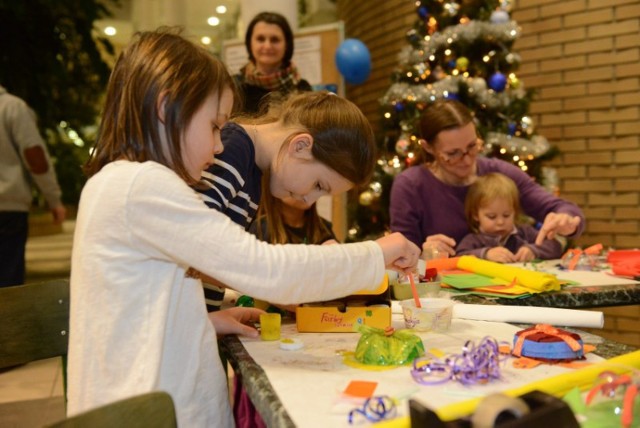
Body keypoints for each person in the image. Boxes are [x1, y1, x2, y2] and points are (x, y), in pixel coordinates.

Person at [66, 28, 420, 428]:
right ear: (167, 109)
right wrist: (377, 253)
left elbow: (142, 300)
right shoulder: (142, 187)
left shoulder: (126, 185)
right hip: (152, 413)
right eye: (215, 126)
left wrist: (205, 321)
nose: (219, 146)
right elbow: (268, 270)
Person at [197, 90, 376, 311]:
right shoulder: (232, 151)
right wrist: (271, 286)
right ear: (300, 146)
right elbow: (192, 248)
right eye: (318, 185)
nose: (309, 201)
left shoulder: (252, 172)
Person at [389, 98, 585, 259]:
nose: (466, 160)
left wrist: (566, 220)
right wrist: (424, 254)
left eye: (472, 146)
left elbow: (562, 210)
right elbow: (401, 257)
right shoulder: (411, 185)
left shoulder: (498, 172)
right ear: (428, 148)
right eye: (453, 153)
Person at [0, 85, 66, 287]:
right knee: (7, 283)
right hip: (8, 208)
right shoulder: (12, 107)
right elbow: (35, 157)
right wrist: (53, 199)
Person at [456, 172, 563, 262]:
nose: (500, 222)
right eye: (492, 217)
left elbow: (555, 246)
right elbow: (459, 257)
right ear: (476, 215)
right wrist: (486, 254)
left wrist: (533, 250)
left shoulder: (525, 233)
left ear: (514, 211)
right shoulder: (473, 240)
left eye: (506, 215)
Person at [234, 11, 311, 115]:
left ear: (287, 45)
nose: (267, 46)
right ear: (249, 43)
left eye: (275, 40)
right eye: (260, 39)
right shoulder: (234, 87)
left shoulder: (303, 89)